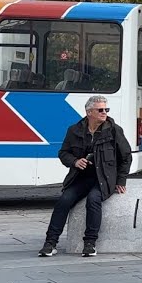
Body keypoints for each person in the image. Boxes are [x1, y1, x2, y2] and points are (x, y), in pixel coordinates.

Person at [38, 95, 132, 257]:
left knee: (93, 200)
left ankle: (90, 243)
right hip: (80, 178)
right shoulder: (74, 130)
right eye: (100, 110)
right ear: (89, 112)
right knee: (64, 200)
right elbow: (63, 153)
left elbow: (126, 157)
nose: (104, 113)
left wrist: (121, 180)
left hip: (104, 179)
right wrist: (74, 162)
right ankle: (50, 243)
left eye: (106, 110)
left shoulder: (114, 130)